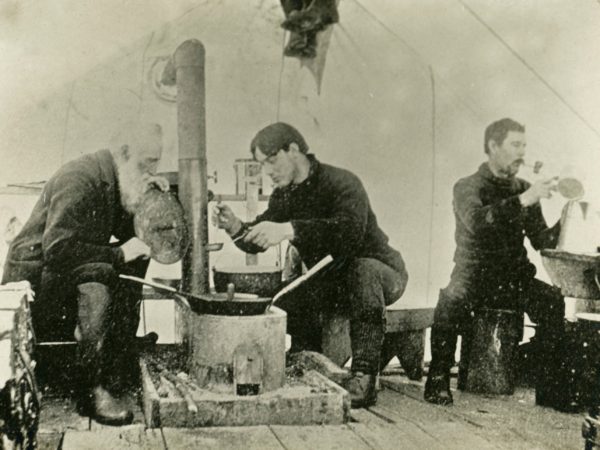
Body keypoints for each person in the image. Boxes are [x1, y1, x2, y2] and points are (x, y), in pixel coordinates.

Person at [214, 122, 408, 408]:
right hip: (332, 281)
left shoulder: (342, 182)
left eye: (271, 160)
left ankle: (364, 378)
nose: (268, 171)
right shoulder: (286, 194)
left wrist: (290, 229)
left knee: (361, 270)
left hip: (382, 274)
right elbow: (259, 236)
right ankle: (306, 358)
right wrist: (234, 227)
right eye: (262, 164)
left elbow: (350, 233)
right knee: (281, 297)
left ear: (293, 150)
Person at [2, 121, 169, 425]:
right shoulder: (79, 177)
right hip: (36, 285)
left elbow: (120, 236)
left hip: (62, 274)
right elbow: (58, 250)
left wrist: (147, 204)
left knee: (134, 254)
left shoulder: (112, 179)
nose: (151, 171)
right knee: (96, 280)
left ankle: (120, 352)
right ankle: (91, 389)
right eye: (148, 164)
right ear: (123, 153)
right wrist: (119, 253)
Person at [424, 118, 566, 408]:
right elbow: (477, 222)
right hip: (474, 271)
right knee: (452, 299)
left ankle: (549, 388)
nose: (522, 152)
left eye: (524, 145)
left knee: (552, 301)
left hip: (513, 276)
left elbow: (542, 242)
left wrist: (567, 214)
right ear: (492, 146)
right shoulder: (467, 186)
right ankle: (438, 377)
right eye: (515, 145)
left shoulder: (524, 188)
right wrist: (524, 200)